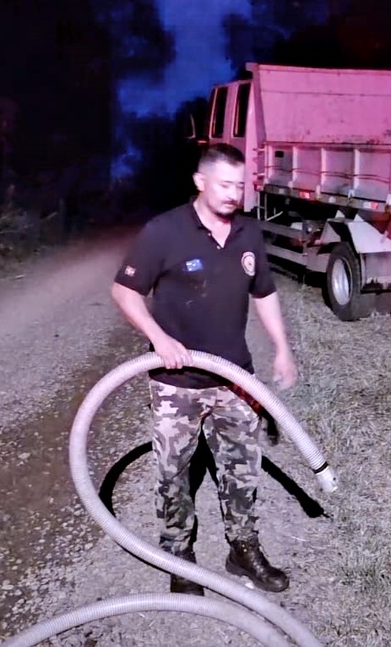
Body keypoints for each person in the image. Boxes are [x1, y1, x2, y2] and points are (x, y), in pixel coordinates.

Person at [110, 143, 298, 596]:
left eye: (240, 185)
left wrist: (282, 348)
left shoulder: (248, 234)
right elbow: (124, 290)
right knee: (174, 473)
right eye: (225, 184)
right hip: (178, 382)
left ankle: (243, 549)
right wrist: (159, 338)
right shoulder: (164, 231)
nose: (235, 194)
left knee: (242, 469)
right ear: (200, 182)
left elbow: (265, 293)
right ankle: (179, 557)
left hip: (236, 378)